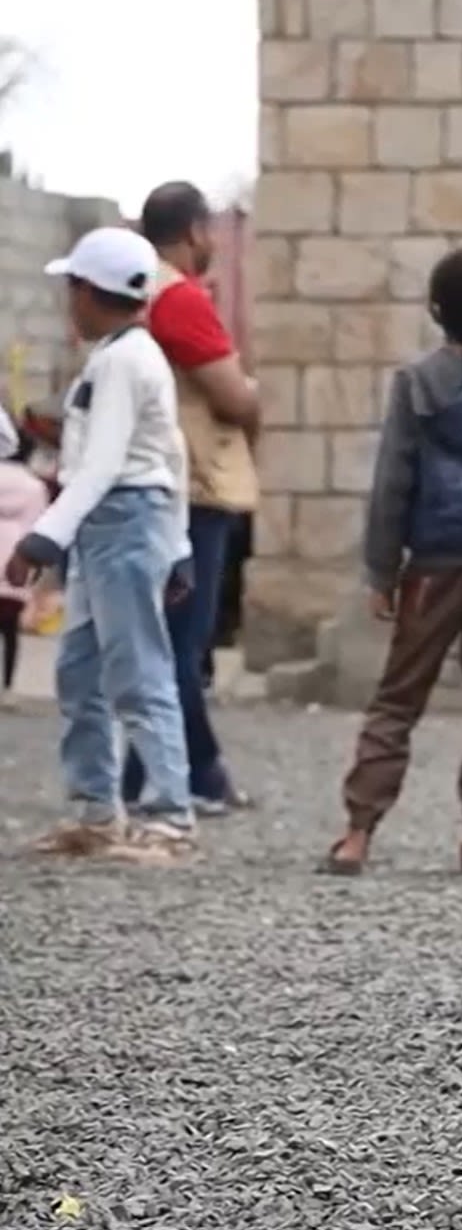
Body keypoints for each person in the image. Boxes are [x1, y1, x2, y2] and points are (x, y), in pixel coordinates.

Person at [321, 247, 462, 876]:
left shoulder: (415, 384)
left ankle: (358, 833)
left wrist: (381, 569)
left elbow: (394, 480)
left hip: (434, 566)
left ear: (434, 309)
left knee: (398, 700)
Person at [9, 228, 197, 863]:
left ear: (89, 292)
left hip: (120, 519)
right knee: (81, 670)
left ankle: (170, 818)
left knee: (138, 670)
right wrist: (181, 541)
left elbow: (105, 465)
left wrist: (42, 538)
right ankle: (97, 811)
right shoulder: (126, 354)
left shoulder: (122, 362)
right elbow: (173, 451)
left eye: (72, 290)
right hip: (116, 523)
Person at [116, 182, 260, 817]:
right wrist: (257, 396)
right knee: (182, 643)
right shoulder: (180, 299)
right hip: (196, 486)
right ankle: (195, 774)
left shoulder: (129, 292)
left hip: (149, 483)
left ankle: (140, 778)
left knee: (165, 640)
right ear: (196, 231)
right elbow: (234, 397)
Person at [0, 411, 44, 710]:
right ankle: (7, 687)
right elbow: (38, 527)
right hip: (14, 564)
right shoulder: (34, 487)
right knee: (10, 632)